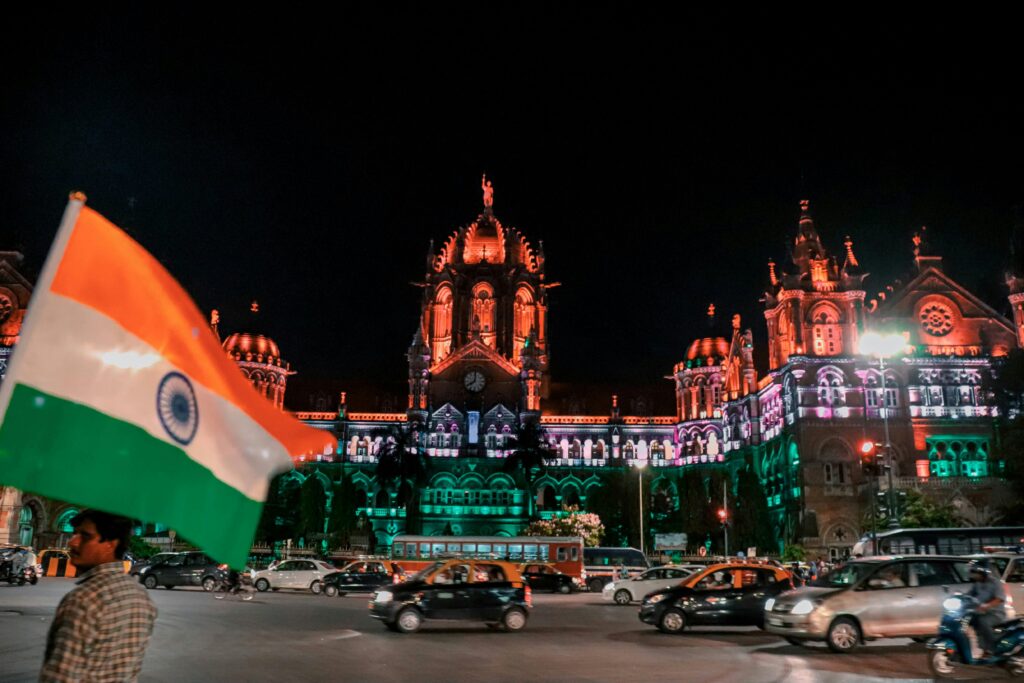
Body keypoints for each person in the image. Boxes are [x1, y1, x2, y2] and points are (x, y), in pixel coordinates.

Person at [40, 509, 157, 682]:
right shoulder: (141, 596)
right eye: (74, 534)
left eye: (85, 536)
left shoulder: (84, 599)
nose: (73, 542)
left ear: (111, 544)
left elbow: (60, 677)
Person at [967, 562, 1006, 654]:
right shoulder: (977, 584)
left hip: (995, 613)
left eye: (976, 573)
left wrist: (986, 606)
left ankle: (992, 647)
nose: (974, 575)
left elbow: (999, 599)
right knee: (967, 620)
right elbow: (969, 594)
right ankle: (981, 647)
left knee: (983, 622)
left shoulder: (995, 583)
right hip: (980, 612)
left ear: (983, 573)